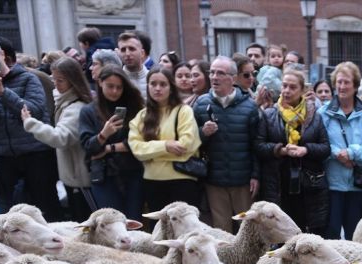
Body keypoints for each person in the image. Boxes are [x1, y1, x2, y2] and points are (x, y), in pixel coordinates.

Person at [0, 36, 61, 218]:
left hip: (36, 154)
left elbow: (34, 111)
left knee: (46, 208)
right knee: (13, 214)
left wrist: (3, 92)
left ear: (2, 54)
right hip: (5, 157)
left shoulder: (28, 78)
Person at [255, 67, 330, 235]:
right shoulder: (269, 114)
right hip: (278, 184)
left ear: (302, 90)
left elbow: (325, 148)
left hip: (308, 186)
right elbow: (259, 146)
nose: (287, 90)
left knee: (304, 234)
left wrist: (306, 149)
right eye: (284, 86)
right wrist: (280, 150)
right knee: (280, 233)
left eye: (292, 87)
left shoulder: (314, 116)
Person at [191, 56, 261, 233]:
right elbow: (190, 141)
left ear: (233, 78)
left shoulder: (250, 107)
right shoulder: (201, 104)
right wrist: (203, 133)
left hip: (243, 180)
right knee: (221, 230)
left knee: (248, 229)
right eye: (212, 72)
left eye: (220, 73)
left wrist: (255, 175)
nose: (214, 77)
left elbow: (256, 145)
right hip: (214, 180)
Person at [21, 57, 94, 221]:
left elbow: (60, 137)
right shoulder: (65, 101)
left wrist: (30, 123)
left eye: (60, 80)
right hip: (73, 179)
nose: (55, 84)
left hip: (80, 181)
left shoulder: (76, 107)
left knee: (84, 222)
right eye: (53, 79)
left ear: (73, 81)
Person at [319, 61, 362, 240]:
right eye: (339, 82)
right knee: (331, 234)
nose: (342, 86)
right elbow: (319, 142)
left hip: (358, 185)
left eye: (346, 82)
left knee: (355, 235)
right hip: (332, 184)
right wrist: (337, 154)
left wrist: (351, 153)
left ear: (355, 86)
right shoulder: (323, 113)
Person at [128, 68, 202, 212]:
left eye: (163, 84)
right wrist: (166, 146)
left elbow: (186, 145)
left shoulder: (183, 111)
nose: (157, 88)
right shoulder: (141, 116)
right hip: (152, 181)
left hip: (182, 180)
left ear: (171, 87)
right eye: (153, 84)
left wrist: (151, 154)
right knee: (158, 225)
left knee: (185, 225)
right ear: (147, 86)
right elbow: (137, 150)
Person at [79, 66, 145, 220]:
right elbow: (88, 147)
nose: (115, 91)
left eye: (119, 87)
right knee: (112, 222)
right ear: (100, 82)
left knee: (134, 220)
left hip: (132, 171)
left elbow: (138, 142)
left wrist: (108, 148)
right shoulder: (88, 111)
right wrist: (104, 134)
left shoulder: (134, 107)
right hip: (103, 175)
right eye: (110, 86)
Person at [118, 31, 150, 97]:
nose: (127, 54)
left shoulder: (152, 78)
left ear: (142, 53)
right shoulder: (116, 80)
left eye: (132, 49)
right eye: (123, 50)